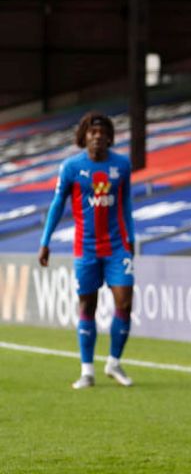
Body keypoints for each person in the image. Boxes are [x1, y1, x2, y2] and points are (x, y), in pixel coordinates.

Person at [38, 112, 136, 389]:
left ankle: (114, 362)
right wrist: (45, 241)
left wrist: (131, 238)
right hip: (86, 249)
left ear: (109, 137)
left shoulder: (121, 165)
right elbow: (57, 205)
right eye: (92, 132)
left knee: (125, 303)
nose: (98, 136)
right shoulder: (71, 167)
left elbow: (126, 204)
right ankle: (87, 370)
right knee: (87, 306)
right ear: (84, 137)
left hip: (117, 247)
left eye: (103, 132)